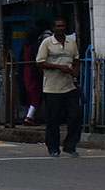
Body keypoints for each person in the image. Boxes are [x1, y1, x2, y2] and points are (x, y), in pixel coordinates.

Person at [35, 20, 83, 157]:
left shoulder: (71, 42)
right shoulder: (47, 43)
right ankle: (53, 147)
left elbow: (76, 59)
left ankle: (70, 145)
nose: (61, 28)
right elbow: (39, 62)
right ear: (53, 28)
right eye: (58, 26)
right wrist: (58, 67)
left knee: (76, 115)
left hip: (69, 85)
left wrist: (75, 70)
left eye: (63, 25)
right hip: (52, 87)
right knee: (53, 120)